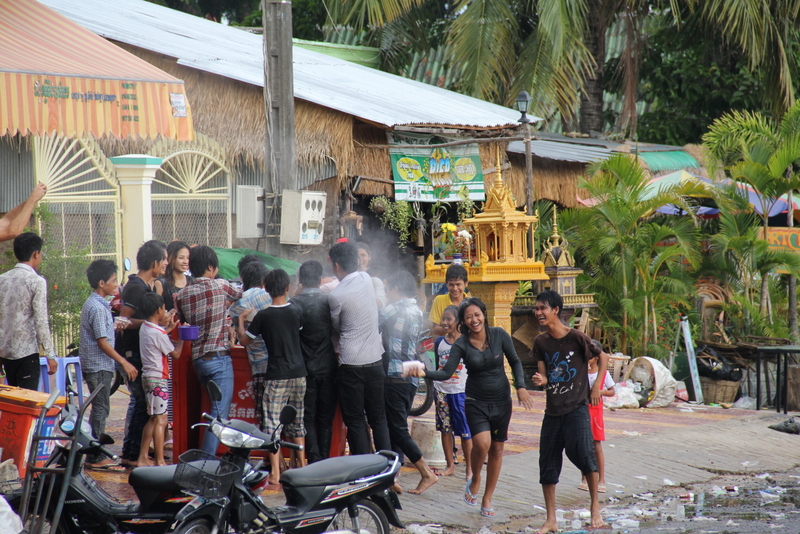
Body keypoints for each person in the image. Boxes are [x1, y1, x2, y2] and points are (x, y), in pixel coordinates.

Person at [411, 297, 533, 518]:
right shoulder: (462, 344)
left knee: (497, 449)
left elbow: (515, 361)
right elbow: (446, 372)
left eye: (477, 315)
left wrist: (522, 387)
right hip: (475, 401)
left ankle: (487, 498)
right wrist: (422, 372)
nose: (474, 320)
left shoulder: (499, 335)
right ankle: (476, 476)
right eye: (468, 317)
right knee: (482, 443)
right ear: (464, 321)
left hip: (502, 401)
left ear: (484, 314)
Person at [531, 290, 609, 533]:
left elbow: (603, 356)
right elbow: (544, 374)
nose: (538, 313)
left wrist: (596, 386)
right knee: (548, 464)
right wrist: (541, 380)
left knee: (586, 456)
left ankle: (595, 507)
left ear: (555, 310)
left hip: (577, 409)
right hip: (552, 412)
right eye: (537, 309)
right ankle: (551, 519)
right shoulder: (540, 341)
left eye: (543, 308)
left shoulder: (576, 337)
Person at [240, 268, 307, 483]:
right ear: (288, 288)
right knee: (297, 421)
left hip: (276, 375)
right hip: (299, 373)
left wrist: (241, 320)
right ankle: (302, 467)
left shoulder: (263, 315)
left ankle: (276, 475)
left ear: (266, 289)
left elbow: (244, 341)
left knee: (271, 426)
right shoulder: (296, 310)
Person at [175, 245, 241, 455]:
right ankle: (207, 462)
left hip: (198, 360)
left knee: (211, 410)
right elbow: (240, 292)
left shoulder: (182, 295)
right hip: (219, 359)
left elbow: (185, 323)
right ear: (211, 267)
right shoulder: (220, 286)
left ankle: (209, 458)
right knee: (219, 415)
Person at [328, 241, 391, 455]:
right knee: (379, 417)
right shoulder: (366, 279)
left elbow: (336, 326)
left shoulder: (336, 296)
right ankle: (389, 470)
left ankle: (366, 472)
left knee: (355, 420)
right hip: (375, 359)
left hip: (351, 363)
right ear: (356, 261)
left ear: (336, 266)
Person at [380, 270, 438, 494]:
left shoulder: (394, 308)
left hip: (395, 374)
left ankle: (426, 472)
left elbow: (371, 322)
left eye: (388, 290)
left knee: (397, 428)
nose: (386, 293)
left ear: (395, 289)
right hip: (410, 375)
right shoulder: (416, 308)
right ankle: (395, 477)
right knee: (397, 426)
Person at [80, 260, 138, 470]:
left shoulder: (99, 304)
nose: (117, 284)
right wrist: (123, 361)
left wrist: (114, 325)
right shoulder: (96, 306)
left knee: (101, 408)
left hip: (100, 364)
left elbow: (102, 333)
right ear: (102, 283)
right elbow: (102, 342)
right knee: (100, 409)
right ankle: (94, 456)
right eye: (113, 281)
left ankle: (94, 453)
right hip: (98, 365)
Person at [118, 240, 168, 467]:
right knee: (140, 404)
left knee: (142, 406)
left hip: (138, 352)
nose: (166, 263)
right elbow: (122, 320)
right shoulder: (137, 287)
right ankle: (132, 454)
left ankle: (137, 454)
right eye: (165, 259)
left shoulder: (145, 286)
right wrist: (151, 323)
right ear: (155, 262)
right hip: (131, 353)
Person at [291, 260, 337, 464]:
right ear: (320, 280)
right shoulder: (329, 301)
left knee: (307, 417)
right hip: (328, 367)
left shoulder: (294, 304)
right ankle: (324, 461)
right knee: (325, 418)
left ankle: (314, 459)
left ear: (300, 279)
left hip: (305, 369)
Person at [0, 232, 57, 390]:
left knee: (13, 402)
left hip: (5, 353)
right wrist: (50, 354)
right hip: (26, 353)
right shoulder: (36, 281)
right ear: (36, 254)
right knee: (27, 404)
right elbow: (41, 321)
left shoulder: (2, 279)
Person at [137, 293, 183, 466]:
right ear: (159, 310)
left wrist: (167, 331)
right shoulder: (158, 333)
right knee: (161, 420)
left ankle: (143, 456)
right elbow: (176, 354)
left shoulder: (146, 327)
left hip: (148, 377)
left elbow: (158, 339)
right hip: (158, 379)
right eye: (164, 308)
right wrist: (183, 338)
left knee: (153, 418)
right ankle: (160, 460)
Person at [229, 260, 271, 430]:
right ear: (264, 280)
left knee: (263, 414)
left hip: (257, 364)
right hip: (278, 364)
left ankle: (270, 453)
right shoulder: (270, 297)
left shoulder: (237, 305)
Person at [433, 305, 473, 480]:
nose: (444, 322)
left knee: (465, 431)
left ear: (458, 322)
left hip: (460, 391)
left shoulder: (467, 341)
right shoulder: (439, 342)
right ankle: (450, 465)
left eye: (449, 319)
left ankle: (470, 468)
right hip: (442, 391)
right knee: (445, 429)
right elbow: (437, 365)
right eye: (443, 319)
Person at [579, 341, 615, 493]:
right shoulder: (580, 372)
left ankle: (601, 479)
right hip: (581, 410)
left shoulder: (603, 374)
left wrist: (600, 392)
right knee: (582, 446)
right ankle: (584, 478)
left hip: (596, 413)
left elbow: (612, 391)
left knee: (596, 445)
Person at [428, 264, 468, 337]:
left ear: (466, 283)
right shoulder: (439, 300)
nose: (455, 288)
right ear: (446, 284)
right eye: (451, 285)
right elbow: (434, 329)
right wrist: (454, 328)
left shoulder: (470, 303)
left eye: (458, 284)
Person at [156, 240, 192, 311]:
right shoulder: (160, 283)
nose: (185, 261)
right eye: (181, 258)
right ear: (170, 258)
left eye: (188, 258)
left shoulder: (192, 281)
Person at [356, 242, 386, 308]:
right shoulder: (348, 276)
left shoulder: (375, 278)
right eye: (357, 256)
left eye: (363, 255)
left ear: (369, 257)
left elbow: (381, 303)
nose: (360, 259)